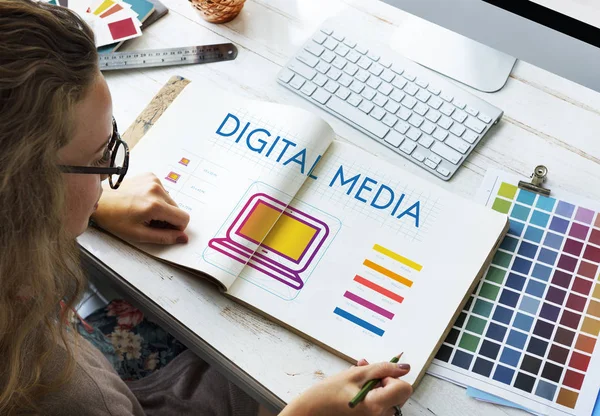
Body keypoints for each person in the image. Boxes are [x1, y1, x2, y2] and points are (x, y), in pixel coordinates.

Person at [0, 1, 413, 415]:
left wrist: (93, 203)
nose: (110, 174)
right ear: (27, 196)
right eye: (97, 157)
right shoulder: (73, 400)